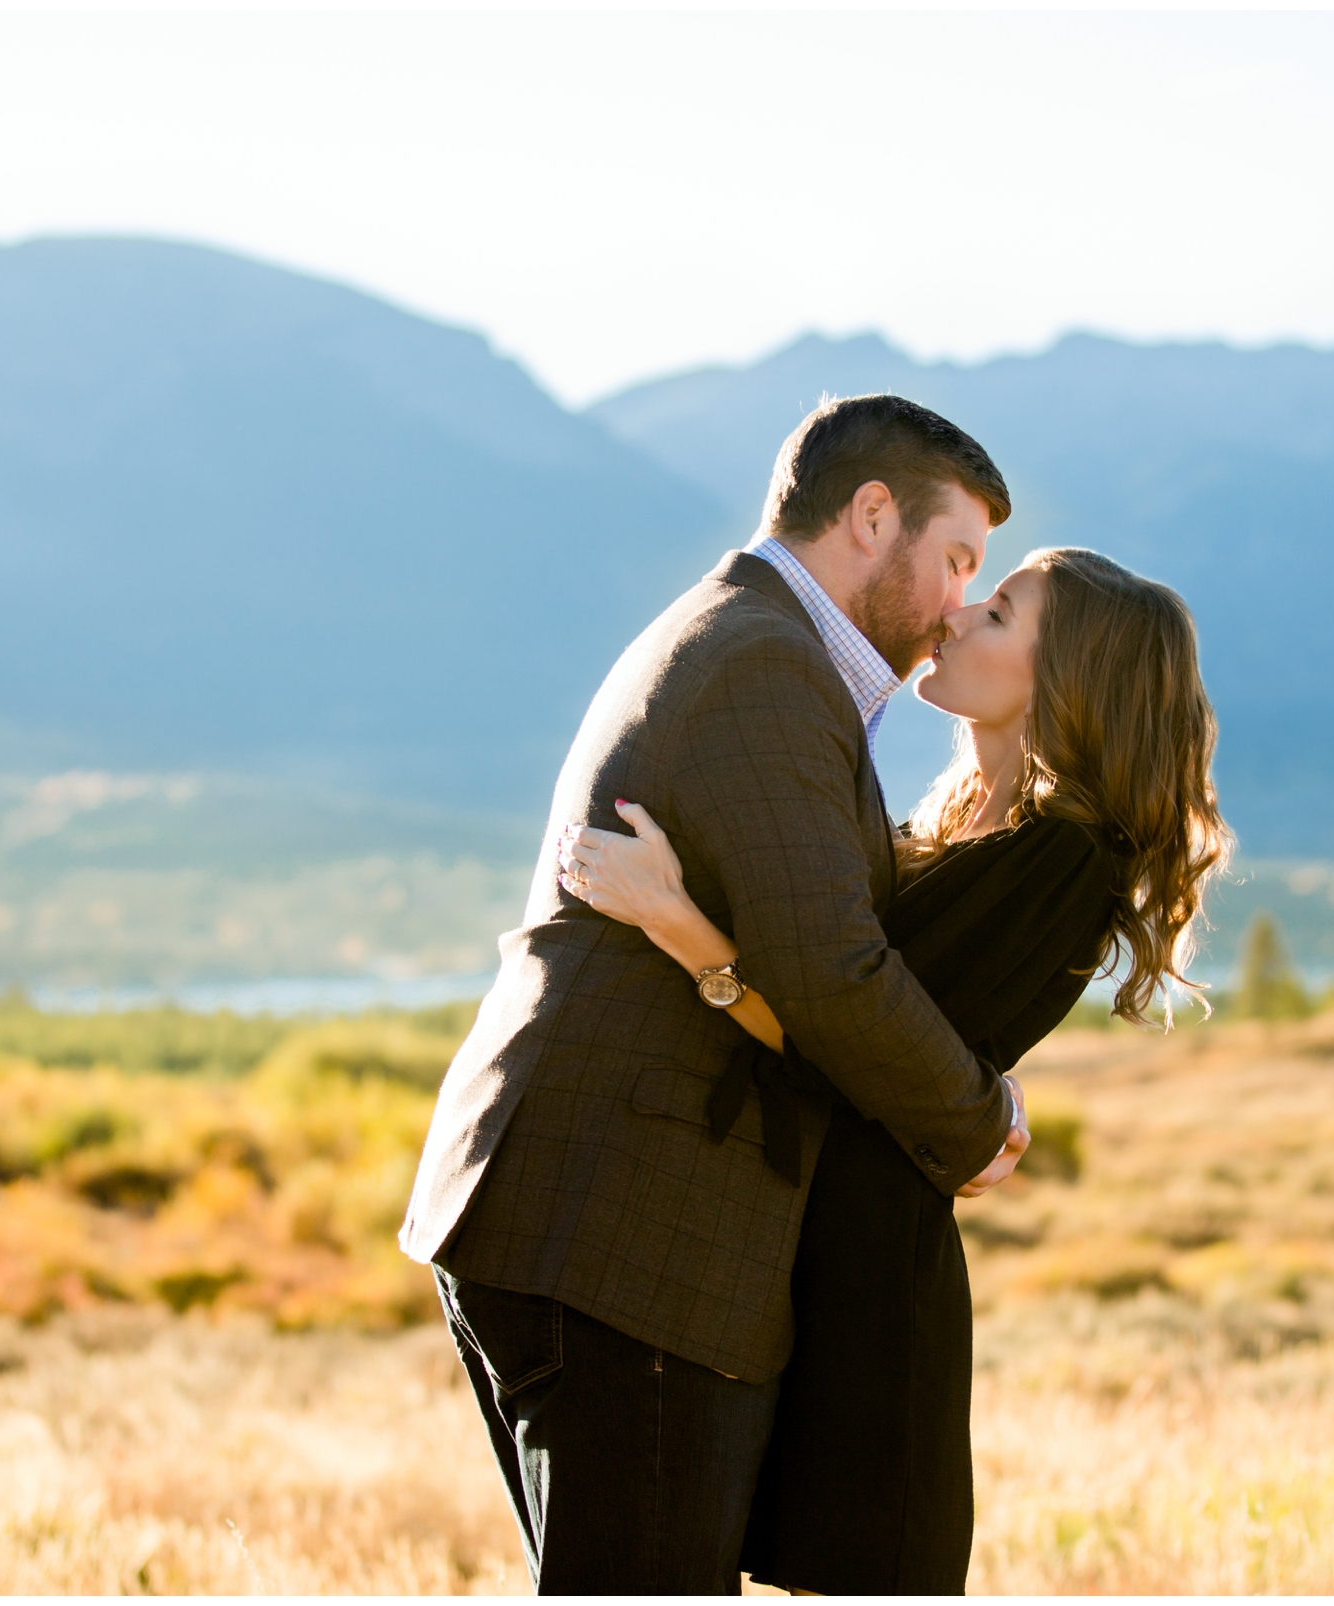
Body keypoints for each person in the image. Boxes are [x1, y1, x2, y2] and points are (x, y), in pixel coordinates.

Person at [399, 394, 1025, 1592]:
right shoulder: (764, 667)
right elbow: (833, 968)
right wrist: (975, 1120)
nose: (957, 600)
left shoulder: (758, 645)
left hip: (593, 1219)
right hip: (627, 1226)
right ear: (872, 515)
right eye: (955, 558)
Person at [559, 544, 1232, 1592]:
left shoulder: (1060, 859)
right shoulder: (953, 824)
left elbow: (853, 1041)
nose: (958, 615)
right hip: (805, 1261)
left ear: (1067, 682)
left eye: (1001, 612)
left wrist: (680, 925)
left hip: (873, 1300)